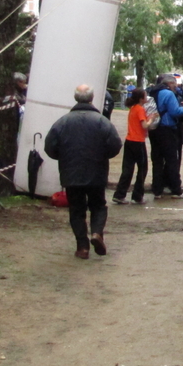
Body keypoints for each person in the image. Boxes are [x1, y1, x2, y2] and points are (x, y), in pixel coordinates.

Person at [44, 84, 122, 259]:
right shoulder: (102, 121)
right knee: (99, 205)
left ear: (75, 98)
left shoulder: (62, 122)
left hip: (71, 172)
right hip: (97, 171)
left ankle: (82, 246)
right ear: (92, 98)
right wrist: (103, 156)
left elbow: (50, 147)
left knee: (76, 209)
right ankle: (96, 233)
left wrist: (64, 158)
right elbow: (115, 145)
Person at [148, 74, 183, 199]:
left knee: (157, 160)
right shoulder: (168, 94)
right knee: (172, 160)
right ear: (169, 84)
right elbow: (175, 112)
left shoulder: (153, 92)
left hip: (154, 128)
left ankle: (157, 189)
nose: (176, 88)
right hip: (167, 129)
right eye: (175, 85)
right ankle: (176, 189)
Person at [112, 88, 153, 205]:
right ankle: (137, 195)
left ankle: (120, 194)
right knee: (142, 169)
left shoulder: (133, 108)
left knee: (127, 169)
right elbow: (144, 125)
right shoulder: (140, 109)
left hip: (129, 140)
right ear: (141, 99)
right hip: (138, 141)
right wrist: (151, 119)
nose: (147, 98)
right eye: (145, 96)